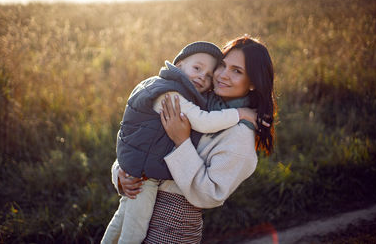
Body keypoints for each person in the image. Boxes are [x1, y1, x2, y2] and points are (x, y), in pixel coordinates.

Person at [111, 35, 276, 243]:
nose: (223, 75)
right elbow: (143, 140)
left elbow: (210, 193)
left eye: (237, 71)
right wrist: (121, 173)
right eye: (222, 66)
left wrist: (182, 142)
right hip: (137, 204)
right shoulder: (196, 101)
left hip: (172, 227)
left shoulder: (240, 134)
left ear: (253, 83)